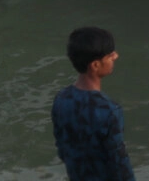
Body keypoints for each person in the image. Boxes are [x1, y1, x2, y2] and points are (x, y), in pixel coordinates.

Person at [52, 27, 136, 181]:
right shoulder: (109, 110)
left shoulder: (61, 99)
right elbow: (119, 163)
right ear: (95, 65)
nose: (116, 56)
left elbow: (62, 148)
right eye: (110, 55)